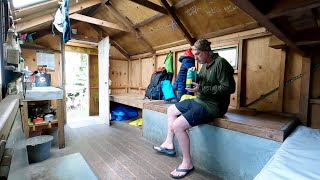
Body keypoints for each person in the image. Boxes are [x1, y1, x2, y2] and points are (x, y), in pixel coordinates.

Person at [153, 39, 236, 179]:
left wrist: (202, 88)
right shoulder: (204, 64)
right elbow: (204, 82)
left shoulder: (221, 63)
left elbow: (229, 88)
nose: (195, 57)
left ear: (206, 52)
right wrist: (196, 75)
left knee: (178, 125)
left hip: (214, 106)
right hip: (200, 99)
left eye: (197, 54)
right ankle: (168, 144)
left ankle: (187, 163)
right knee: (171, 110)